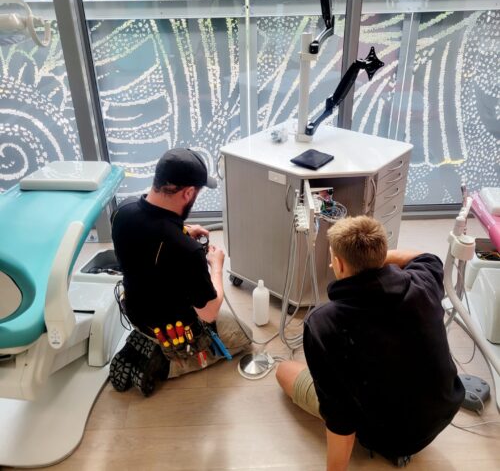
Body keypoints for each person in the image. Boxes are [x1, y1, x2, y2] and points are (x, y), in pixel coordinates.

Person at [276, 216, 464, 469]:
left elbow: (340, 418)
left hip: (387, 437)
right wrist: (373, 260)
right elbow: (424, 256)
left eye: (332, 258)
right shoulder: (424, 281)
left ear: (338, 263)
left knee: (284, 370)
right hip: (443, 411)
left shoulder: (323, 324)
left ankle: (388, 447)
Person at [110, 148, 251, 395]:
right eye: (196, 193)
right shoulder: (187, 251)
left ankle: (146, 340)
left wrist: (182, 230)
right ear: (187, 193)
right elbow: (209, 313)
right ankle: (166, 363)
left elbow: (150, 228)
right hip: (174, 327)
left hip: (135, 309)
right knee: (244, 336)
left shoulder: (123, 210)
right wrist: (217, 266)